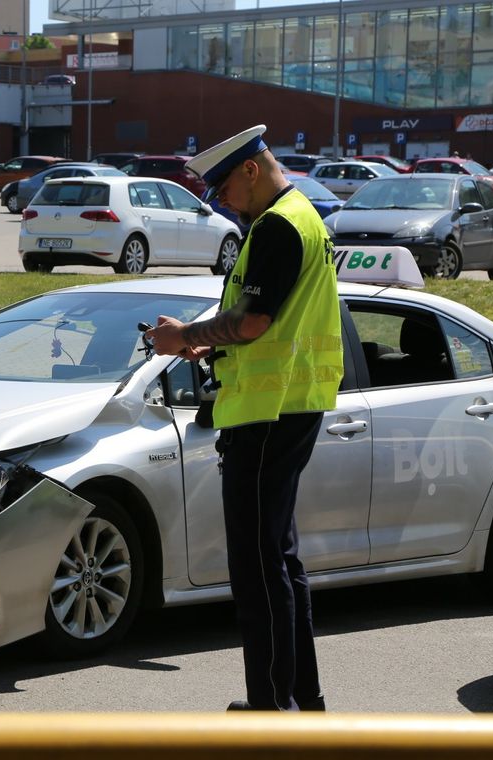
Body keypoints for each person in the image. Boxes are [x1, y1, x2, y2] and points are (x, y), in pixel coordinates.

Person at [146, 125, 343, 712]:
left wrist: (186, 335)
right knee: (280, 560)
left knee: (258, 571)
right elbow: (270, 323)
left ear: (252, 170)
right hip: (292, 404)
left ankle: (270, 709)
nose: (219, 201)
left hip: (267, 414)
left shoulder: (279, 225)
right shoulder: (303, 215)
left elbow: (254, 321)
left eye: (223, 188)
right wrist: (211, 344)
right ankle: (302, 700)